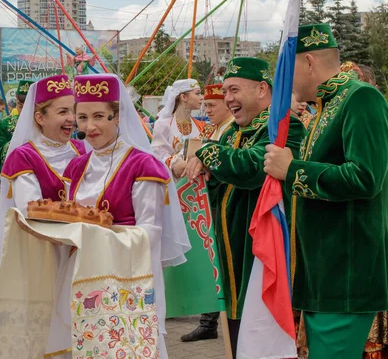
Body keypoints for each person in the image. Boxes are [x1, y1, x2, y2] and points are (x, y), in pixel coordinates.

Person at [264, 23, 388, 359]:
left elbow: (366, 177)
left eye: (287, 70)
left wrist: (292, 170)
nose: (283, 82)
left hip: (346, 278)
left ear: (307, 62)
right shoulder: (323, 108)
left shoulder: (361, 98)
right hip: (322, 276)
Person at [61, 73, 191, 358]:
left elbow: (149, 232)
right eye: (82, 118)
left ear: (117, 116)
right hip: (83, 275)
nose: (90, 126)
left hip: (128, 278)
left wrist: (93, 234)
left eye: (99, 116)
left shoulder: (143, 165)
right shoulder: (76, 167)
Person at [183, 57, 306, 357]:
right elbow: (218, 178)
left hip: (263, 258)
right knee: (238, 340)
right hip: (233, 260)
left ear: (262, 89)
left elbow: (250, 169)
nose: (227, 99)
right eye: (225, 92)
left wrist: (207, 151)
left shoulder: (284, 127)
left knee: (264, 341)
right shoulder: (232, 132)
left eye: (233, 90)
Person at [0, 73, 85, 266]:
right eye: (63, 112)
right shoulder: (25, 157)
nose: (72, 119)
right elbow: (30, 211)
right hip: (43, 256)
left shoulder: (84, 150)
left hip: (83, 254)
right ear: (40, 118)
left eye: (73, 111)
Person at [180, 83, 234, 343]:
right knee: (211, 260)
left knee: (218, 261)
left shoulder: (232, 130)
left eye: (212, 105)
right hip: (207, 202)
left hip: (221, 202)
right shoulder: (214, 130)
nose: (207, 109)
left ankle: (212, 321)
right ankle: (208, 322)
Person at [151, 79, 205, 179]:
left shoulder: (201, 126)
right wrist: (175, 163)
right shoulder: (163, 124)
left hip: (194, 183)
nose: (202, 98)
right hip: (170, 184)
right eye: (197, 93)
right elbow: (157, 156)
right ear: (183, 97)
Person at [0, 80, 34, 176]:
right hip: (14, 180)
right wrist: (13, 144)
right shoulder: (6, 124)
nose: (24, 111)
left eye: (29, 106)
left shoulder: (47, 125)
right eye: (20, 106)